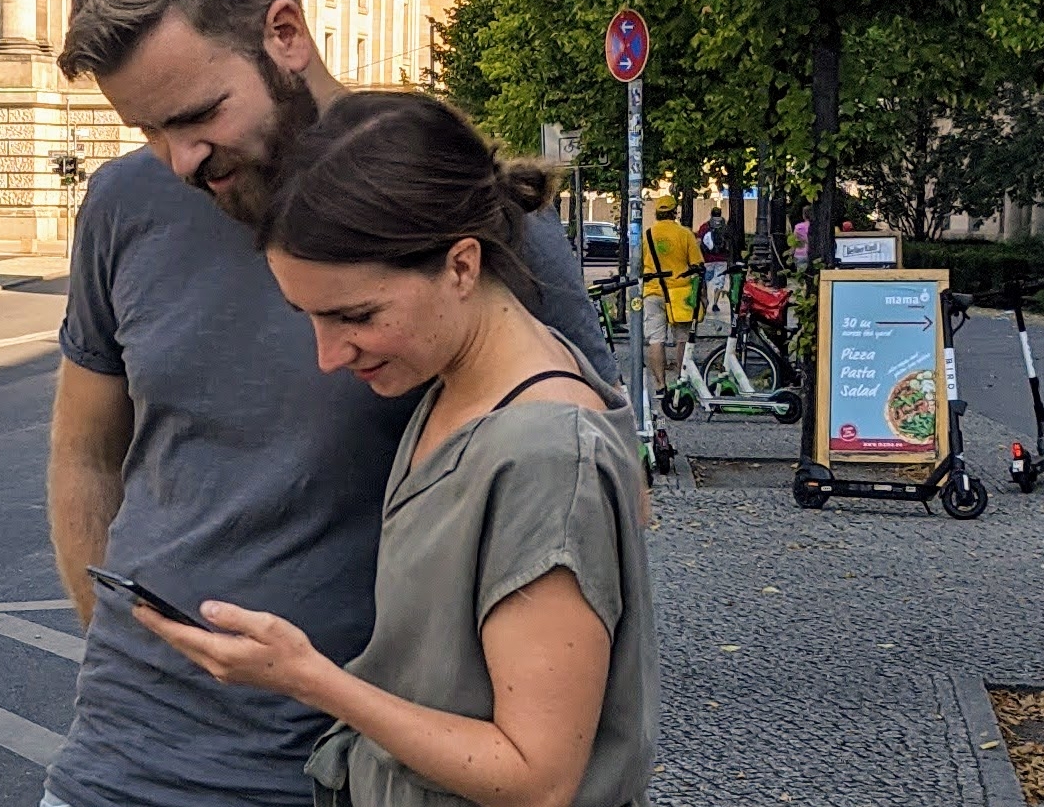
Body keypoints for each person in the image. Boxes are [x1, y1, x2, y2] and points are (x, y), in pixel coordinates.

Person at [46, 0, 620, 807]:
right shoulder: (123, 204)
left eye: (197, 115)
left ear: (284, 33)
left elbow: (587, 489)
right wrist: (114, 646)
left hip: (356, 771)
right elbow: (85, 452)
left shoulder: (463, 209)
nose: (177, 160)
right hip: (118, 761)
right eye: (146, 129)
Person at [139, 91, 656, 807]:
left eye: (356, 315)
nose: (327, 355)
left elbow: (537, 778)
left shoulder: (543, 455)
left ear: (462, 266)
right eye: (309, 317)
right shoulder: (469, 378)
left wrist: (308, 678)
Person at [640, 195, 704, 400]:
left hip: (653, 292)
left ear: (657, 213)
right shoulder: (684, 234)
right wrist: (702, 296)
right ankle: (681, 381)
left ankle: (660, 386)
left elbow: (640, 263)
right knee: (682, 339)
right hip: (680, 293)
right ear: (675, 212)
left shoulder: (648, 235)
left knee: (655, 340)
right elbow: (697, 266)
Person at [695, 206, 729, 316]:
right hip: (722, 260)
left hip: (707, 259)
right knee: (719, 282)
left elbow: (699, 242)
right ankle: (715, 303)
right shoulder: (725, 227)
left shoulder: (705, 227)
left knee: (704, 281)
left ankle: (705, 302)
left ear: (711, 214)